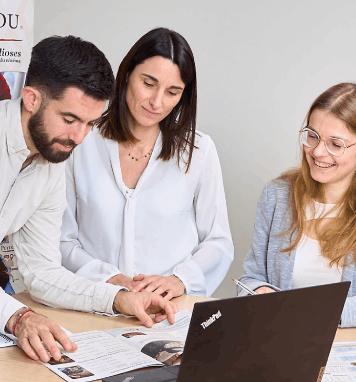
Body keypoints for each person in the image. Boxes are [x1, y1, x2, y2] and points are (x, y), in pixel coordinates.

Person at [0, 35, 176, 362]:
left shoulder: (51, 159)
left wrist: (119, 299)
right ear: (31, 98)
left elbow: (42, 272)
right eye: (69, 119)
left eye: (90, 124)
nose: (79, 137)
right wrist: (19, 317)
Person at [236, 82, 356, 327]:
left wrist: (323, 311)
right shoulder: (276, 195)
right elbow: (250, 279)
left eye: (335, 144)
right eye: (312, 136)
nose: (318, 152)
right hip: (282, 347)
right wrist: (258, 291)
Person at [60, 28, 233, 298]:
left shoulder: (198, 151)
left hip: (170, 310)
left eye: (172, 92)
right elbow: (61, 238)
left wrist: (179, 280)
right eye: (149, 84)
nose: (156, 102)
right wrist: (108, 279)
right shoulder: (82, 141)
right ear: (127, 74)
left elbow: (218, 242)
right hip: (95, 302)